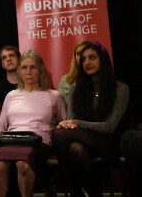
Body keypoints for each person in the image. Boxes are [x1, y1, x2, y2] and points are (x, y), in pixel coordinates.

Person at [53, 42, 130, 196]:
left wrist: (77, 123)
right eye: (83, 59)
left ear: (103, 59)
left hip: (107, 142)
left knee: (61, 133)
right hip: (81, 142)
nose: (87, 62)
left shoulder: (120, 88)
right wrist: (70, 123)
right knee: (75, 148)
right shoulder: (76, 88)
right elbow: (71, 119)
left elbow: (110, 126)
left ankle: (74, 189)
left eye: (92, 57)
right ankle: (90, 192)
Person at [0, 50, 67, 197]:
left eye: (33, 67)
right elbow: (0, 128)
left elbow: (64, 126)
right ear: (19, 71)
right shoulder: (12, 95)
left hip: (39, 142)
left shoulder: (54, 96)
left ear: (40, 70)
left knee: (22, 163)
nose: (28, 72)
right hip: (12, 141)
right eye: (24, 68)